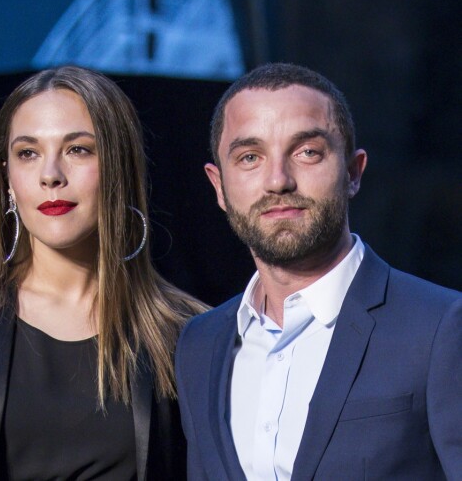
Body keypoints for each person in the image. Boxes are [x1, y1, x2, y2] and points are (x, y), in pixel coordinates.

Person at [0, 65, 207, 480]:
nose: (51, 174)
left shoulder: (183, 333)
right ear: (7, 178)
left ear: (119, 168)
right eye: (28, 153)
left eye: (78, 149)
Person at [175, 62, 462, 480]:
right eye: (250, 157)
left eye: (307, 152)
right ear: (219, 186)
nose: (278, 181)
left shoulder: (440, 328)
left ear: (352, 172)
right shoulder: (199, 345)